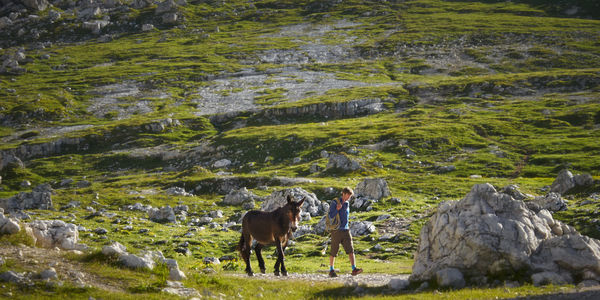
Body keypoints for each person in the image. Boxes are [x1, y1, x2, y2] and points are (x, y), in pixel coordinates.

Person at [328, 186, 362, 277]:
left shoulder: (347, 203)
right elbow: (331, 215)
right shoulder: (335, 202)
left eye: (350, 196)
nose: (349, 198)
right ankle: (331, 270)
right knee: (334, 251)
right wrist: (337, 209)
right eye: (348, 196)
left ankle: (354, 269)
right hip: (336, 230)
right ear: (343, 194)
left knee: (351, 250)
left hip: (346, 230)